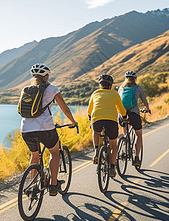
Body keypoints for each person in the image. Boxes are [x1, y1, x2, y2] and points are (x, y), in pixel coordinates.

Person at [20, 63, 77, 196]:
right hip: (45, 128)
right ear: (46, 76)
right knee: (55, 153)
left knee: (34, 155)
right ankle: (53, 185)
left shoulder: (26, 89)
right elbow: (65, 108)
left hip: (26, 129)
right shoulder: (52, 88)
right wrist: (73, 122)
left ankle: (33, 186)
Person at [87, 74, 127, 178]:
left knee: (95, 132)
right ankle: (112, 167)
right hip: (111, 121)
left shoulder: (95, 93)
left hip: (97, 120)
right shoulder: (114, 94)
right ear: (110, 85)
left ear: (100, 85)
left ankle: (96, 150)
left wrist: (90, 117)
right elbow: (121, 110)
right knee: (114, 145)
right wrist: (125, 117)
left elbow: (89, 110)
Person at [118, 70, 151, 166]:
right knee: (139, 135)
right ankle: (136, 158)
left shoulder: (121, 88)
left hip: (122, 114)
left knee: (125, 130)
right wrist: (147, 109)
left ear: (126, 78)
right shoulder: (138, 87)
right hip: (134, 114)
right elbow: (144, 101)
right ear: (135, 79)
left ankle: (126, 143)